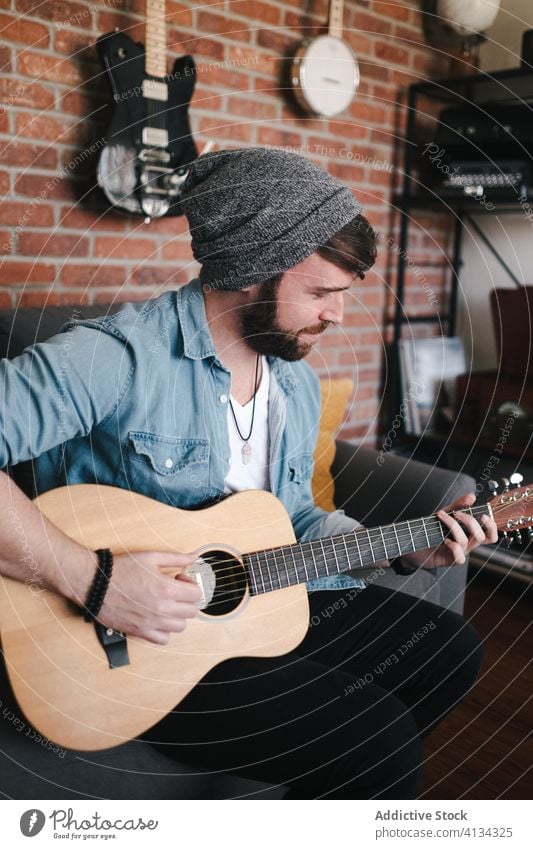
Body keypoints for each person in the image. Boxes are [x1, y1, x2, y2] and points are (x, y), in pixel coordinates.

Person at [0, 147, 497, 798]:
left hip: (250, 611)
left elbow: (289, 520)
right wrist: (95, 580)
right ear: (248, 270)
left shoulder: (294, 380)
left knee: (449, 648)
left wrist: (403, 549)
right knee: (381, 744)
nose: (337, 315)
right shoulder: (117, 356)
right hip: (134, 645)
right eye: (320, 292)